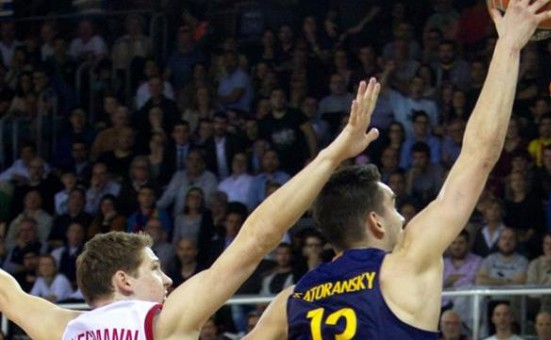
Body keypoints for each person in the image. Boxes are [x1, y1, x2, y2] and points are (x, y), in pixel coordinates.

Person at [246, 2, 551, 338]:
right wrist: (509, 45)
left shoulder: (290, 301)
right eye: (393, 206)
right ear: (375, 221)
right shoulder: (405, 265)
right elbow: (479, 155)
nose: (402, 218)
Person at [0, 77, 383, 339]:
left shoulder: (61, 329)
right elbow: (256, 238)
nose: (167, 279)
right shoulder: (163, 322)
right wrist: (332, 155)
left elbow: (6, 292)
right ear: (123, 280)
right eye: (154, 267)